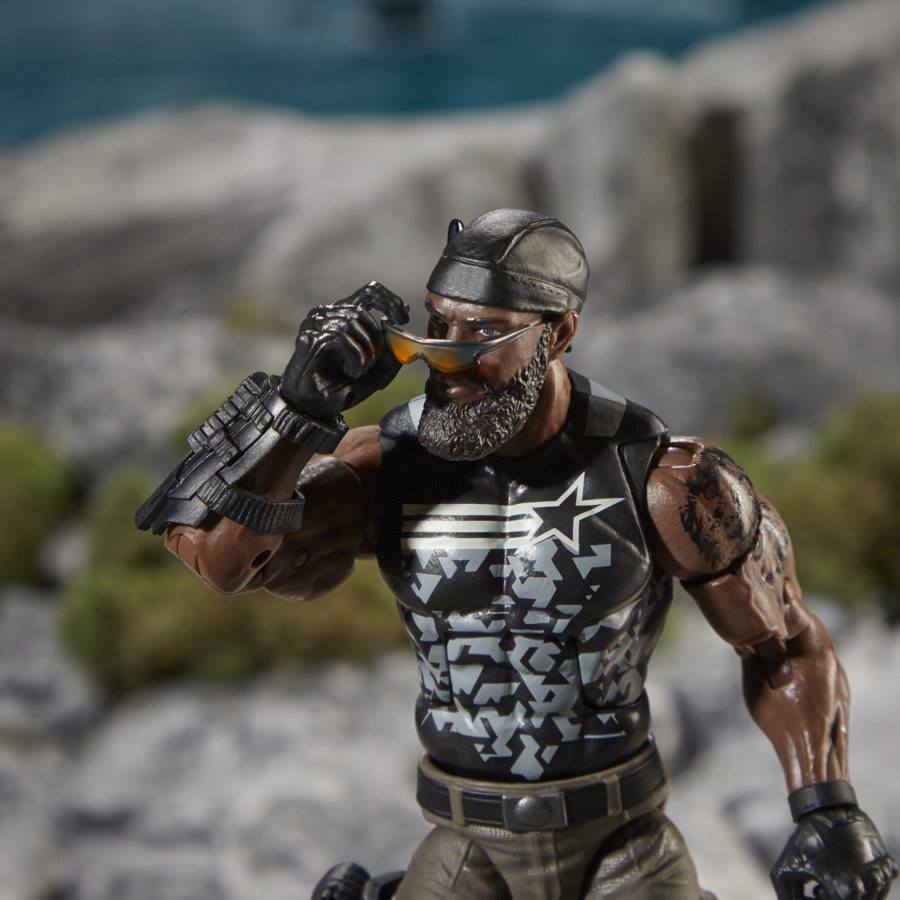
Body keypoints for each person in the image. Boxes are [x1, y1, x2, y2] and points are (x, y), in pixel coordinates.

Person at [136, 209, 896, 900]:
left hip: (622, 843)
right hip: (467, 845)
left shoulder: (662, 482)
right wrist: (296, 408)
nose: (449, 360)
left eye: (482, 335)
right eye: (437, 327)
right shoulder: (389, 467)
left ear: (558, 333)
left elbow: (785, 644)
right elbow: (219, 561)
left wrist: (826, 809)